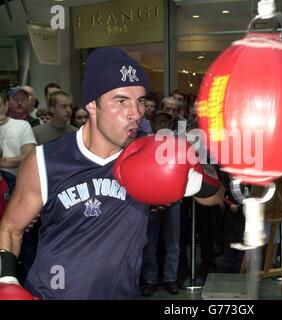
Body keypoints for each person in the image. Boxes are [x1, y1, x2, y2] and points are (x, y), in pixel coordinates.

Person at [0, 47, 223, 300]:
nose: (136, 113)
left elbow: (216, 197)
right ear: (92, 105)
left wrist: (192, 179)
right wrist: (5, 280)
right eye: (121, 101)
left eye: (139, 100)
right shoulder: (44, 161)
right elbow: (10, 227)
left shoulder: (151, 154)